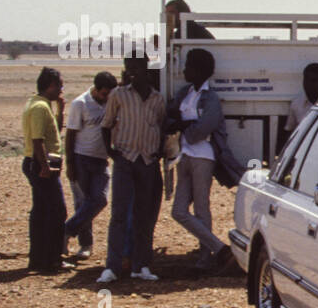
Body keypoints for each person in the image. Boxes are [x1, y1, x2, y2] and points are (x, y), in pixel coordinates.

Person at [99, 53, 165, 283]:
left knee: (144, 216)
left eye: (136, 67)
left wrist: (158, 150)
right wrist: (111, 152)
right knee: (119, 214)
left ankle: (142, 265)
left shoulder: (158, 99)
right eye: (128, 68)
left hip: (147, 161)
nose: (131, 72)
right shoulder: (119, 95)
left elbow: (161, 125)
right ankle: (112, 267)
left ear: (145, 68)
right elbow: (106, 125)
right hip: (125, 159)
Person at [167, 47, 234, 272]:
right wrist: (185, 125)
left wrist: (183, 125)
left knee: (202, 208)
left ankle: (205, 260)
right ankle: (220, 249)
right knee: (178, 211)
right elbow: (172, 118)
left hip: (203, 157)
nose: (185, 71)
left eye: (188, 67)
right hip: (185, 155)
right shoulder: (185, 93)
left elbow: (203, 128)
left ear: (199, 71)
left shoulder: (210, 97)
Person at [63, 71, 117, 260]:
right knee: (82, 204)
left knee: (99, 199)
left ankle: (66, 230)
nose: (107, 98)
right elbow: (70, 134)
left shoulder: (111, 103)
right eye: (104, 94)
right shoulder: (81, 104)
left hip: (101, 160)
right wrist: (70, 163)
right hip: (81, 158)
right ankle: (85, 245)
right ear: (96, 89)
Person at [20, 67, 69, 274]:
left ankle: (38, 258)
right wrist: (45, 167)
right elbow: (38, 140)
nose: (61, 88)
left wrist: (60, 110)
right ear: (50, 84)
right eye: (59, 84)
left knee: (40, 213)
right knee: (56, 212)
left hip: (39, 162)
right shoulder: (40, 107)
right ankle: (52, 259)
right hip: (41, 163)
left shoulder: (39, 104)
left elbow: (53, 133)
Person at [279, 63, 318, 152]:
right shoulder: (297, 104)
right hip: (303, 152)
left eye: (313, 80)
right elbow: (290, 131)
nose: (308, 84)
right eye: (306, 80)